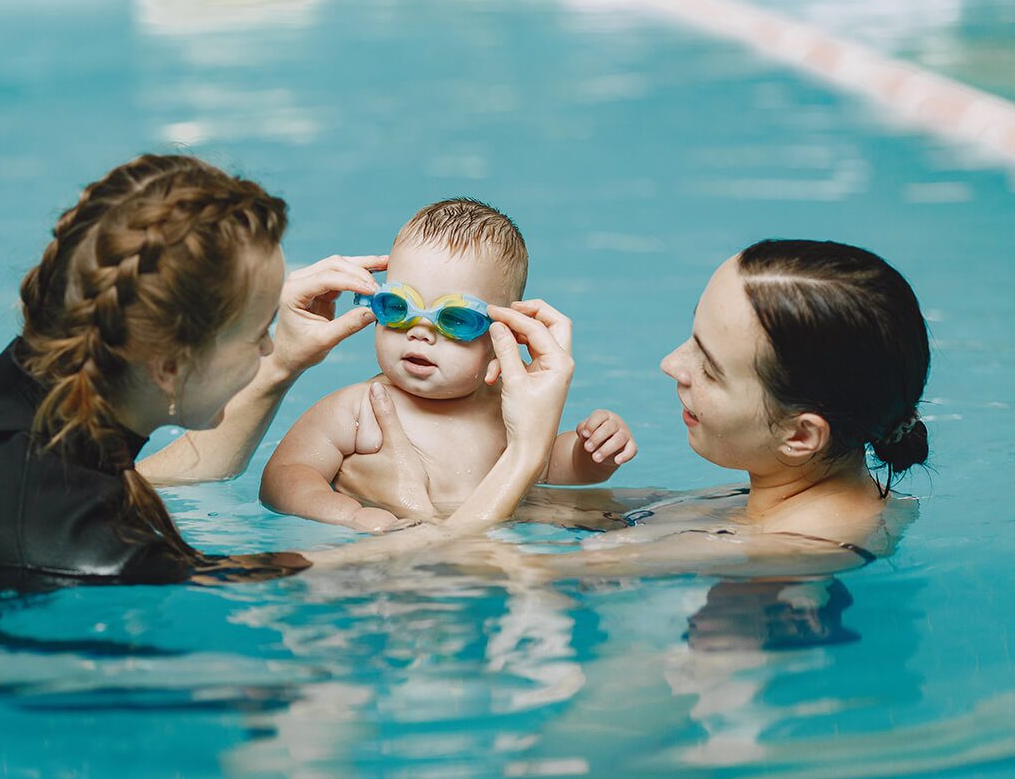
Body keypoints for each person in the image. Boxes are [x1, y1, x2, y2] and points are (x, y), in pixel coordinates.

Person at [0, 155, 575, 585]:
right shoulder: (101, 554)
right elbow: (413, 564)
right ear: (171, 366)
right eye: (259, 330)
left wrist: (286, 361)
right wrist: (522, 454)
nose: (272, 345)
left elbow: (180, 472)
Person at [370, 239, 931, 579]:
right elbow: (572, 514)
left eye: (708, 367)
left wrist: (524, 452)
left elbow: (446, 569)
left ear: (800, 435)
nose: (670, 364)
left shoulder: (787, 550)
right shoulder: (779, 495)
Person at [258, 198, 637, 532]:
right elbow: (284, 477)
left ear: (502, 338)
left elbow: (547, 466)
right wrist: (348, 515)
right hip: (392, 562)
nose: (419, 333)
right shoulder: (359, 407)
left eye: (454, 320)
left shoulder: (507, 406)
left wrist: (592, 452)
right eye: (398, 308)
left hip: (481, 552)